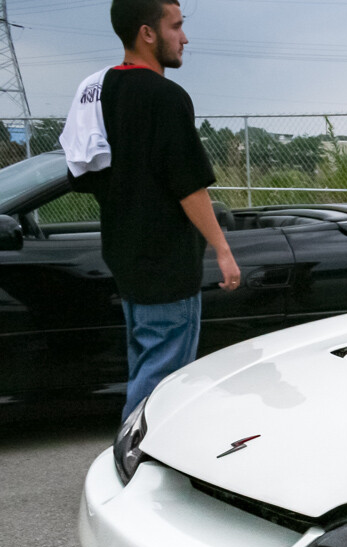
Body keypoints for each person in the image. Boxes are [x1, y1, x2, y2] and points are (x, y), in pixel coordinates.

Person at [63, 0, 239, 422]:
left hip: (126, 255)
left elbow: (81, 172)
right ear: (147, 33)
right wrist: (222, 248)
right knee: (162, 382)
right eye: (176, 27)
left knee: (145, 363)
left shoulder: (98, 90)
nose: (184, 37)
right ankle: (134, 463)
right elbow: (188, 185)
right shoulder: (166, 96)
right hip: (167, 264)